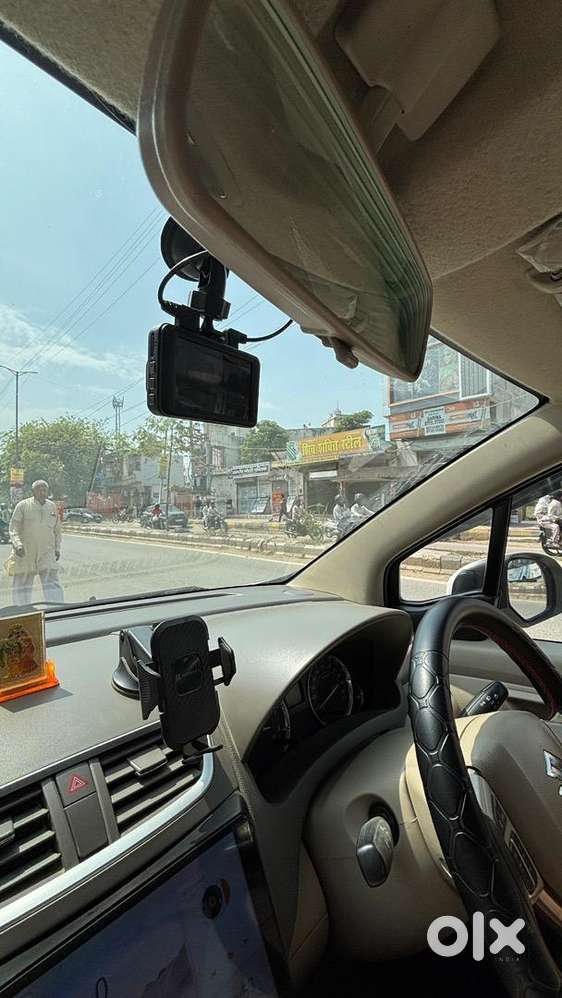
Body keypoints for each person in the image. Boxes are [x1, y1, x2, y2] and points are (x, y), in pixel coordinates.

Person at [9, 479, 64, 605]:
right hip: (26, 551)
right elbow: (14, 528)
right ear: (33, 491)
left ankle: (57, 608)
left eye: (44, 490)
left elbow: (57, 530)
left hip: (47, 551)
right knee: (23, 581)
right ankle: (21, 609)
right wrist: (17, 545)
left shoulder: (52, 506)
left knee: (51, 580)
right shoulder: (23, 506)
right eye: (39, 490)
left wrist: (57, 549)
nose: (42, 492)